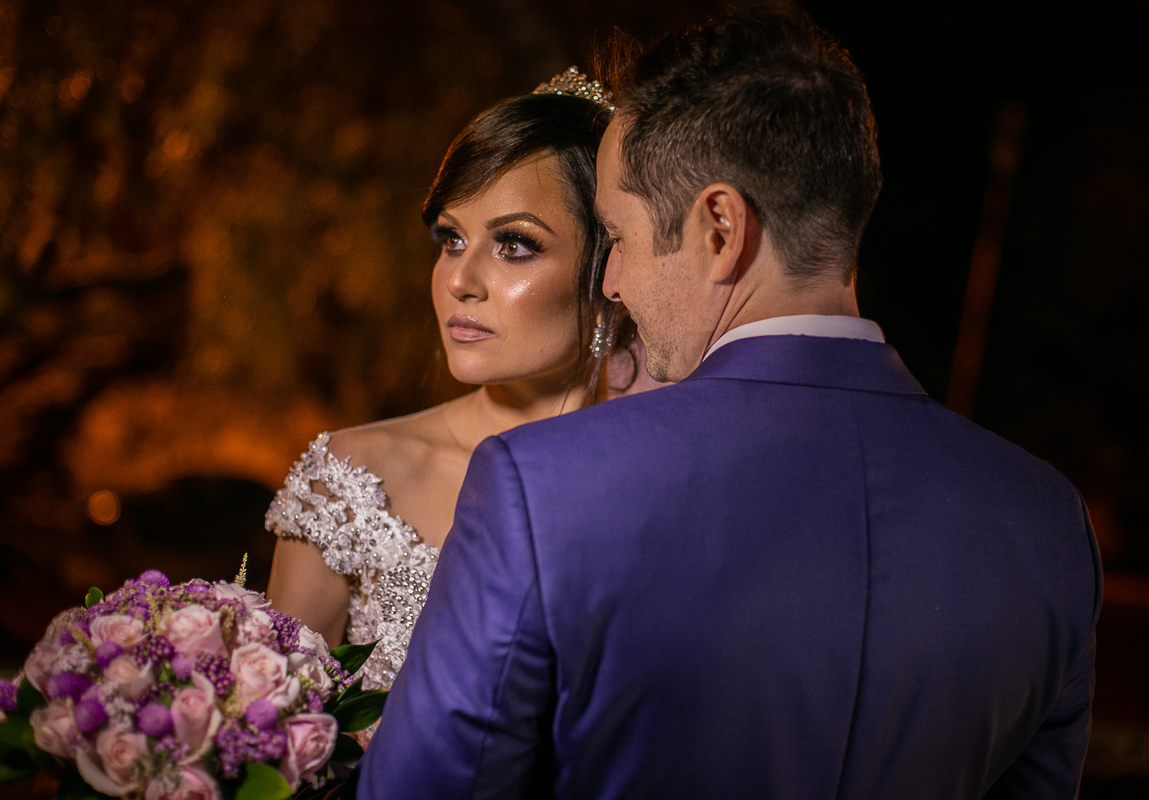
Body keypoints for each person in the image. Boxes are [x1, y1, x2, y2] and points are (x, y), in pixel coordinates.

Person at [355, 7, 1101, 800]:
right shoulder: (1048, 522)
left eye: (620, 236)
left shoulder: (543, 486)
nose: (611, 284)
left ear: (719, 228)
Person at [263, 73, 650, 706]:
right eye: (451, 239)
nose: (460, 280)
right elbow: (272, 750)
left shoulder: (667, 472)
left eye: (515, 244)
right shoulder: (349, 482)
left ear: (610, 268)